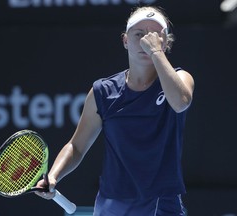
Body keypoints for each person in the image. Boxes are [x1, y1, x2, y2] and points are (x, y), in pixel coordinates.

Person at [36, 5, 195, 216]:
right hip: (111, 204)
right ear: (125, 41)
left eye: (155, 35)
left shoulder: (181, 78)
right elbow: (77, 146)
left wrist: (156, 52)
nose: (146, 41)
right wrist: (54, 176)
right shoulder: (102, 91)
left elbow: (181, 102)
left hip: (160, 203)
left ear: (165, 42)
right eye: (139, 34)